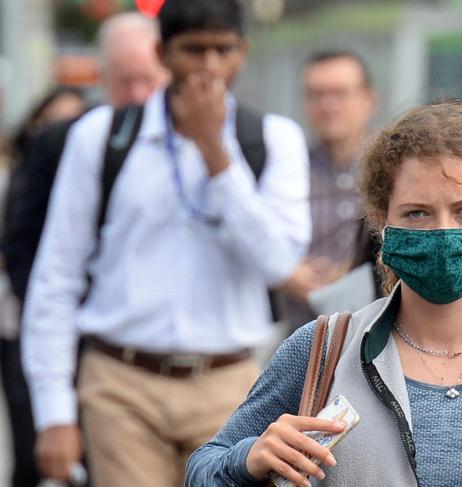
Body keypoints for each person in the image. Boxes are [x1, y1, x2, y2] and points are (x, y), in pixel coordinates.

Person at [185, 101, 462, 486]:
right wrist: (248, 458)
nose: (444, 231)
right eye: (417, 213)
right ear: (382, 222)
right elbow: (202, 470)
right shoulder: (322, 350)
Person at [21, 1, 310, 486]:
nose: (210, 65)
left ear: (245, 51)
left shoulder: (272, 139)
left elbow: (279, 263)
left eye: (224, 49)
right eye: (193, 49)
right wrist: (53, 412)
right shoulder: (102, 137)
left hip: (230, 385)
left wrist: (217, 155)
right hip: (121, 384)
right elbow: (57, 275)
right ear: (161, 52)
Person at [2, 13, 167, 487]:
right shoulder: (68, 141)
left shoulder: (196, 145)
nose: (137, 95)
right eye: (124, 82)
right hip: (68, 338)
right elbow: (26, 244)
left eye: (148, 81)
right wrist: (58, 314)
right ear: (101, 79)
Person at [1, 85, 87, 487]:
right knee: (31, 445)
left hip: (88, 340)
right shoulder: (22, 180)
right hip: (25, 329)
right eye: (55, 123)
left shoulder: (97, 179)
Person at [280, 50, 376, 330]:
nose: (328, 105)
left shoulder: (397, 170)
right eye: (317, 95)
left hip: (373, 332)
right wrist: (285, 272)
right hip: (303, 330)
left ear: (368, 99)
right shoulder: (288, 170)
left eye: (339, 94)